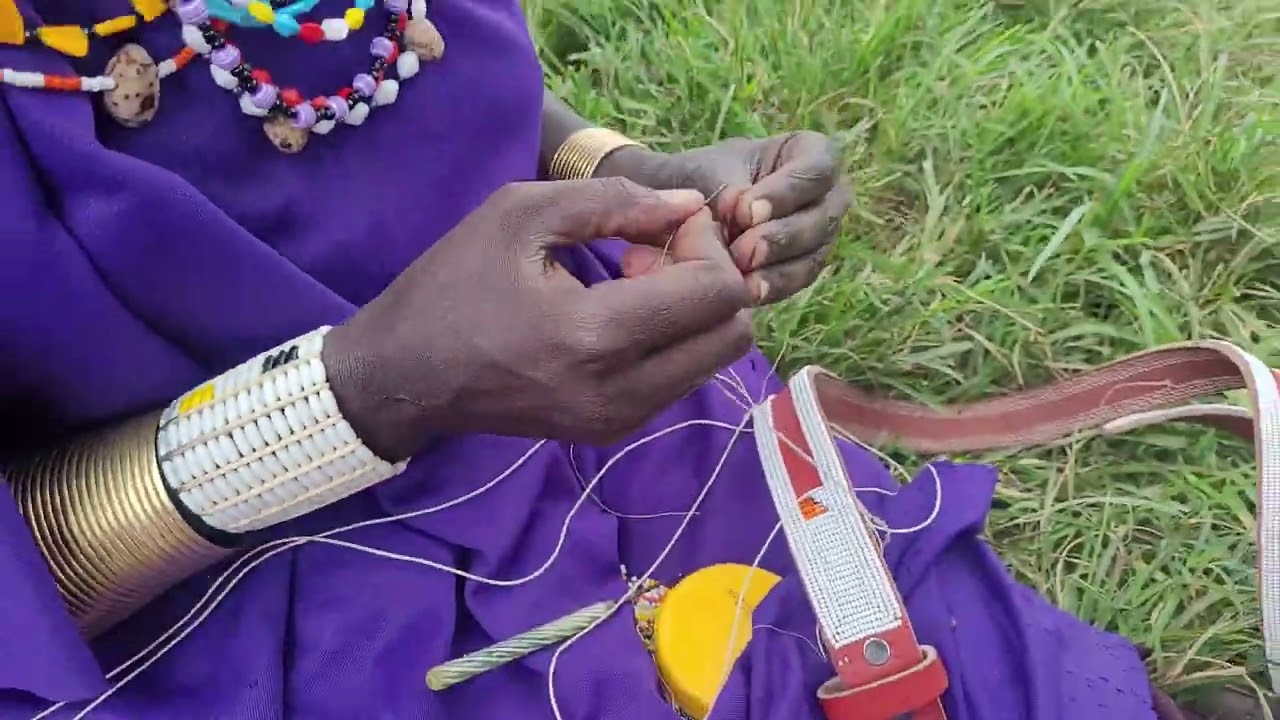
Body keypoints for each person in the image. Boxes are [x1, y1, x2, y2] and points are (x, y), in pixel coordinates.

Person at [0, 0, 1262, 718]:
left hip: (583, 415)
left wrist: (614, 170)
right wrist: (370, 392)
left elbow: (376, 61)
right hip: (222, 602)